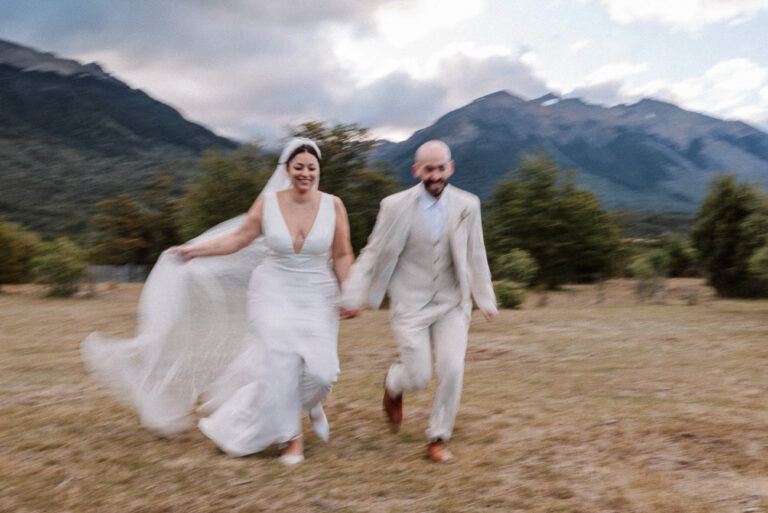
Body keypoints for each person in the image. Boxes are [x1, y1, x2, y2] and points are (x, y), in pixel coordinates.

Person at [82, 138, 357, 465]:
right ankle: (290, 438)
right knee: (281, 363)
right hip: (273, 291)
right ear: (287, 170)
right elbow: (239, 239)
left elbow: (342, 253)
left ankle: (310, 402)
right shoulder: (269, 203)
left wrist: (352, 292)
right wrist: (193, 251)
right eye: (298, 167)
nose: (305, 173)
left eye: (311, 168)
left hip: (316, 293)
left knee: (323, 373)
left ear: (318, 171)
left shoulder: (333, 205)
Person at [341, 140, 497, 463]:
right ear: (417, 171)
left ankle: (437, 438)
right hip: (409, 305)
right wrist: (353, 295)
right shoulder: (394, 206)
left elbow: (476, 252)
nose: (435, 175)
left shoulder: (468, 205)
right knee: (419, 376)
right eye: (429, 169)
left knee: (452, 369)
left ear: (450, 168)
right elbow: (372, 252)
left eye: (441, 168)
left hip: (452, 302)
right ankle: (393, 385)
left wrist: (485, 297)